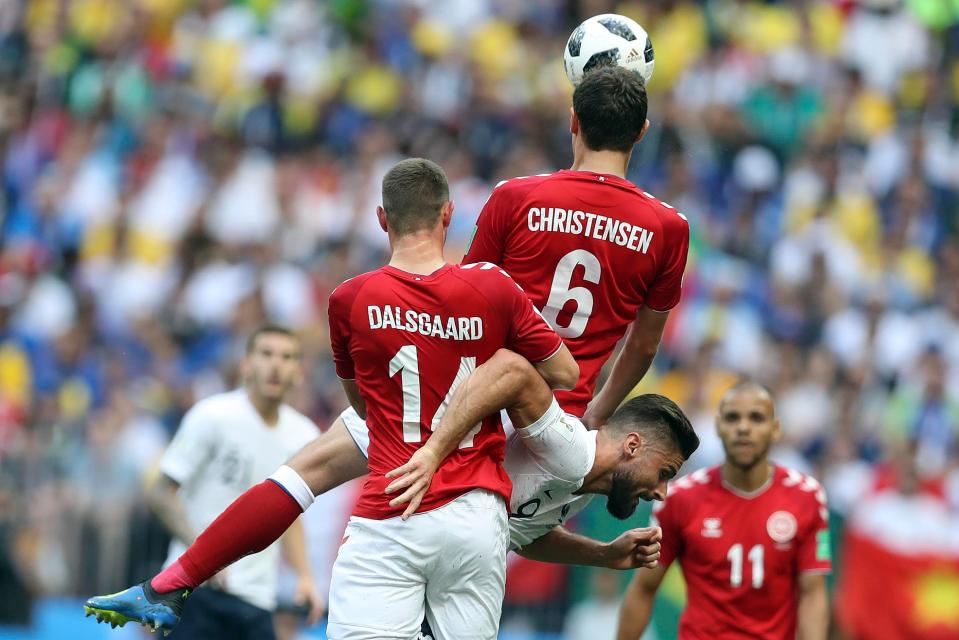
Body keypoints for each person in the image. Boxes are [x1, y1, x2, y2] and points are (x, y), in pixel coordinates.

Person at [86, 158, 580, 639]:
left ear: (382, 219)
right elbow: (563, 372)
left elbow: (365, 408)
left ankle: (169, 584)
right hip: (477, 513)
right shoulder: (492, 286)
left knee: (302, 472)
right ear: (448, 214)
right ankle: (168, 585)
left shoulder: (350, 299)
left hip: (394, 510)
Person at [85, 326, 324, 639]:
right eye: (266, 354)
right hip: (194, 591)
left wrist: (305, 576)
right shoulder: (212, 416)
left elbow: (289, 514)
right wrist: (206, 556)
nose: (275, 365)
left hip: (256, 599)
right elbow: (161, 492)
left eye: (287, 357)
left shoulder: (303, 435)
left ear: (298, 372)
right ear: (246, 364)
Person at [615, 382, 832, 640]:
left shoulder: (807, 497)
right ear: (718, 427)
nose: (743, 428)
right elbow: (643, 589)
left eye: (756, 418)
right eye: (732, 418)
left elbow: (813, 594)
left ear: (775, 430)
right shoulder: (681, 498)